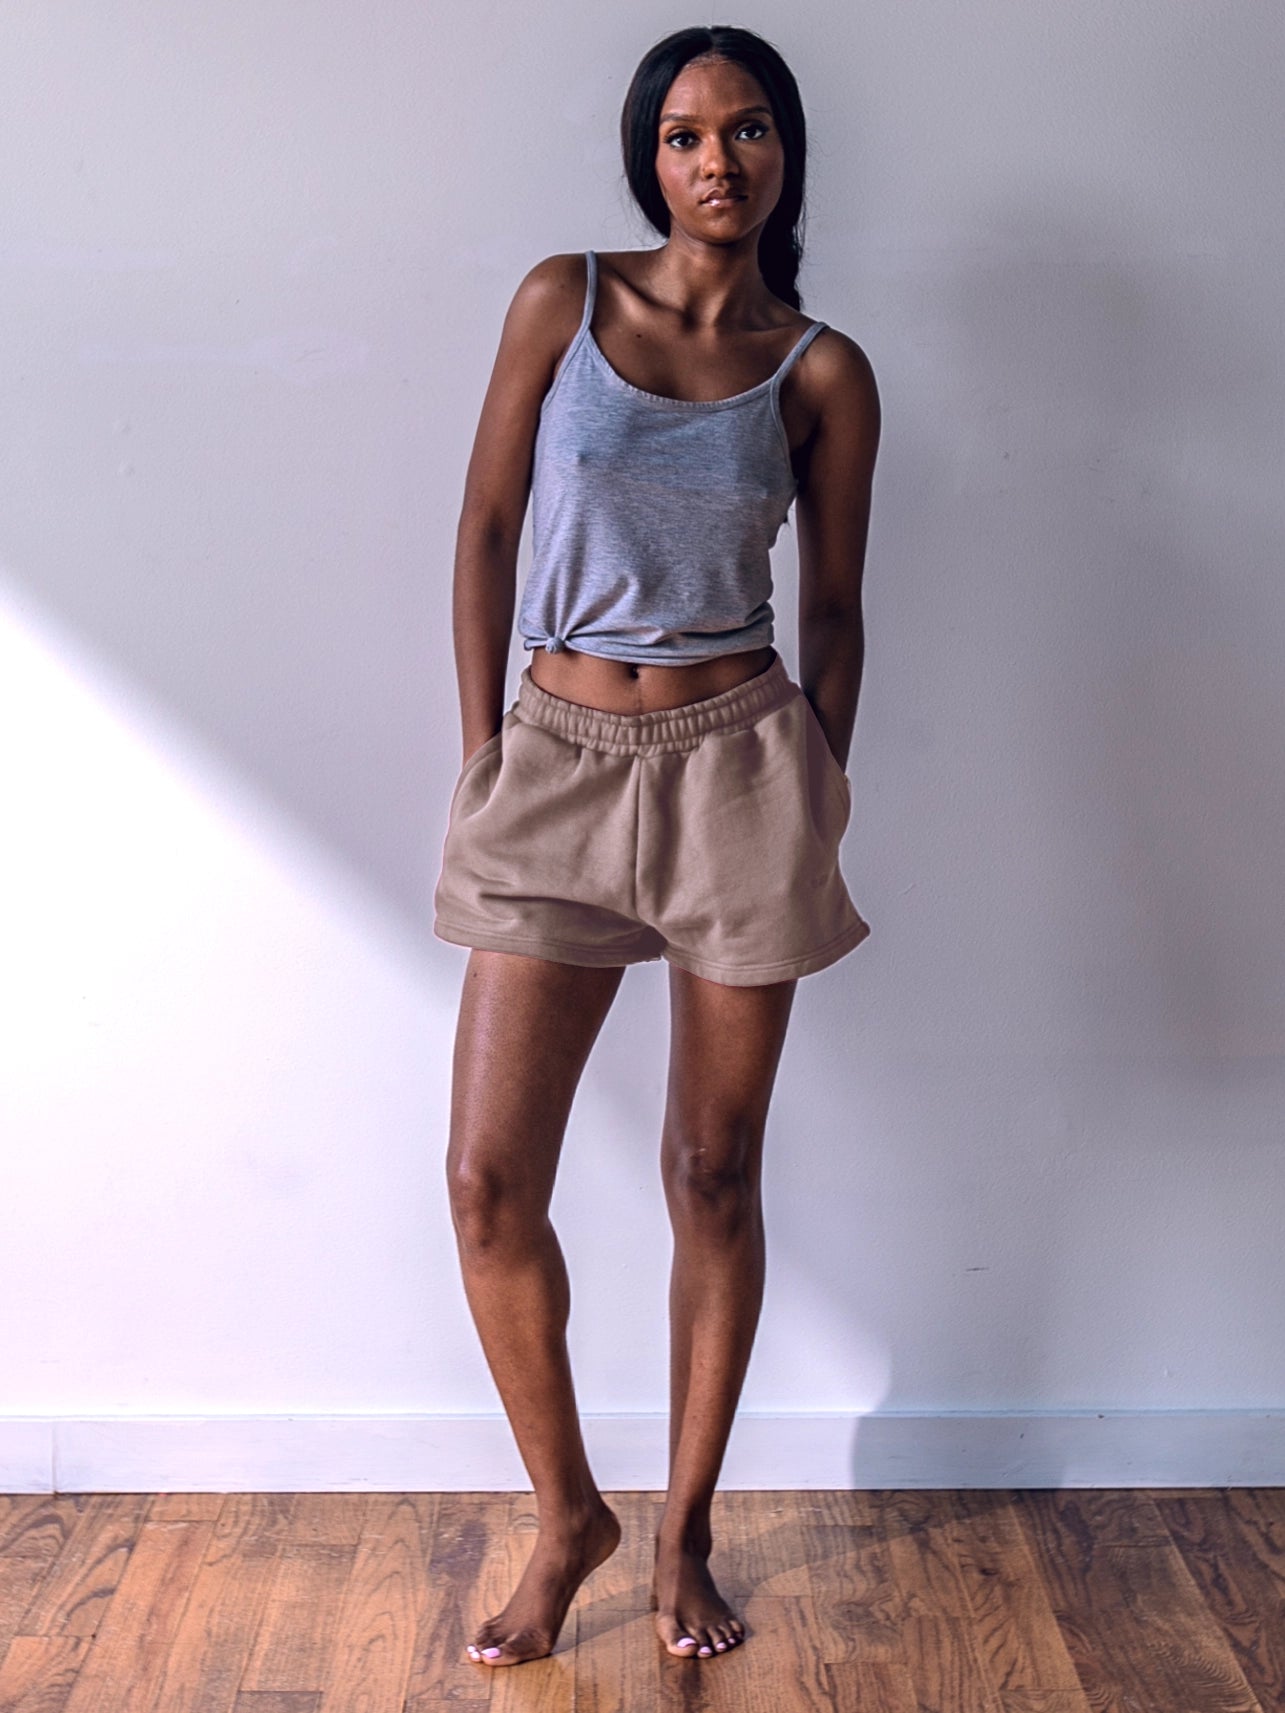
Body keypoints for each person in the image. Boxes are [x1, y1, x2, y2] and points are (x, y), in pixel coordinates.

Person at [432, 23, 880, 1669]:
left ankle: (681, 1531)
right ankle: (570, 1516)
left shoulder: (822, 367)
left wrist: (811, 782)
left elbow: (832, 607)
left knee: (710, 1170)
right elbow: (485, 526)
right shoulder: (565, 299)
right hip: (554, 756)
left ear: (783, 158)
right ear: (650, 157)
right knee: (488, 1181)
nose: (717, 160)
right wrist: (488, 747)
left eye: (748, 130)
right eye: (687, 133)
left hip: (738, 764)